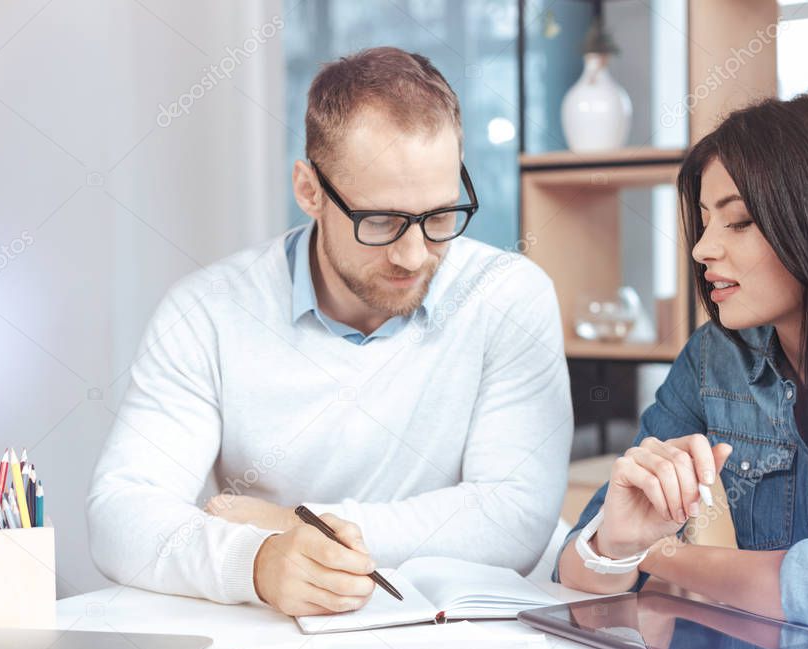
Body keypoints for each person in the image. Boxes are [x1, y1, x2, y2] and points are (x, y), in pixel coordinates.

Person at [88, 47, 572, 617]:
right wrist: (260, 561)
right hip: (294, 638)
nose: (414, 255)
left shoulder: (510, 295)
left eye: (440, 217)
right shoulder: (207, 312)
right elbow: (120, 514)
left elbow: (512, 520)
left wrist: (298, 523)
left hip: (481, 632)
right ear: (309, 191)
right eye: (382, 221)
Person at [556, 90, 808, 649]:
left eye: (740, 220)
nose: (703, 249)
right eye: (705, 220)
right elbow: (580, 566)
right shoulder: (716, 359)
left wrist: (657, 553)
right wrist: (615, 545)